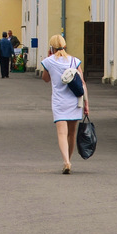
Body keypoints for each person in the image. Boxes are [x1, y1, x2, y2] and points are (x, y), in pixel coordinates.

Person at [40, 34, 89, 174]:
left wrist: (48, 60)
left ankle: (66, 161)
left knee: (62, 133)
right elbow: (83, 83)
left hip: (59, 102)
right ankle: (69, 159)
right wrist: (86, 104)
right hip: (74, 101)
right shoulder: (75, 61)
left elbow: (45, 79)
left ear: (52, 47)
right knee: (71, 133)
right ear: (65, 45)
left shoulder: (48, 61)